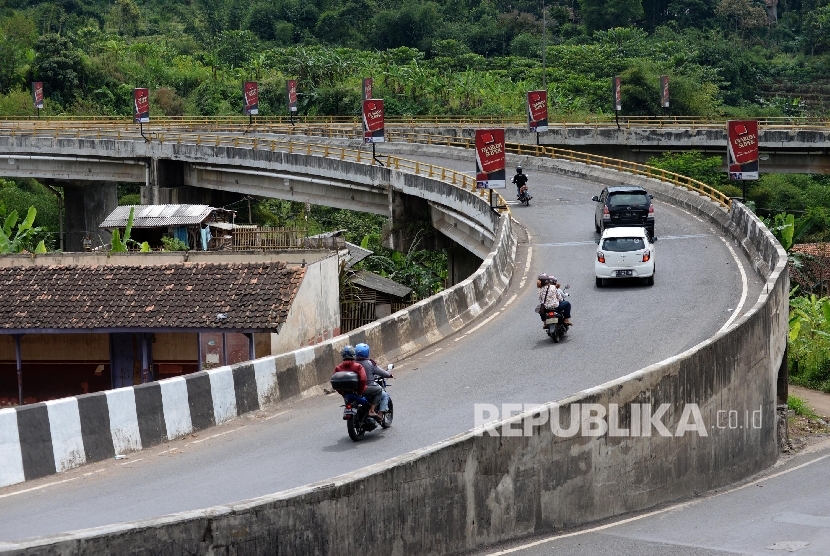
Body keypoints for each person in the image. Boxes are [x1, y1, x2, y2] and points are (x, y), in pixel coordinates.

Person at [354, 342, 393, 420]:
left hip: (355, 388)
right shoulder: (369, 364)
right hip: (367, 387)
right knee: (383, 394)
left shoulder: (353, 363)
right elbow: (381, 372)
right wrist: (389, 375)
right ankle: (376, 412)